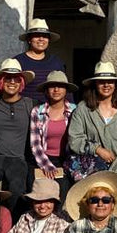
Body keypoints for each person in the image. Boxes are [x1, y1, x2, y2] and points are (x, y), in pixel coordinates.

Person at [68, 61, 117, 217]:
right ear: (95, 84)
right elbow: (75, 139)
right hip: (92, 164)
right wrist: (97, 149)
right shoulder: (83, 109)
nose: (106, 85)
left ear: (115, 84)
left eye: (110, 81)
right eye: (102, 81)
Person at [0, 58, 35, 214]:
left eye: (16, 78)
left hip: (17, 158)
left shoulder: (29, 104)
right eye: (7, 78)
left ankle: (10, 226)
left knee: (17, 191)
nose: (12, 82)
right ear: (1, 81)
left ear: (21, 82)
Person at [30, 70, 78, 202]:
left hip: (68, 159)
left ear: (66, 90)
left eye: (60, 86)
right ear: (46, 90)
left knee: (65, 192)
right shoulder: (38, 111)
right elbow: (35, 144)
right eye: (52, 86)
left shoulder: (75, 110)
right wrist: (46, 165)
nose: (56, 90)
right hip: (43, 158)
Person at [14, 18, 67, 103]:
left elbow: (65, 89)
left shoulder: (57, 63)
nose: (41, 39)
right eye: (37, 35)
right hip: (25, 112)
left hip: (51, 112)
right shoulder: (17, 62)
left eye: (45, 36)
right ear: (29, 40)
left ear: (49, 40)